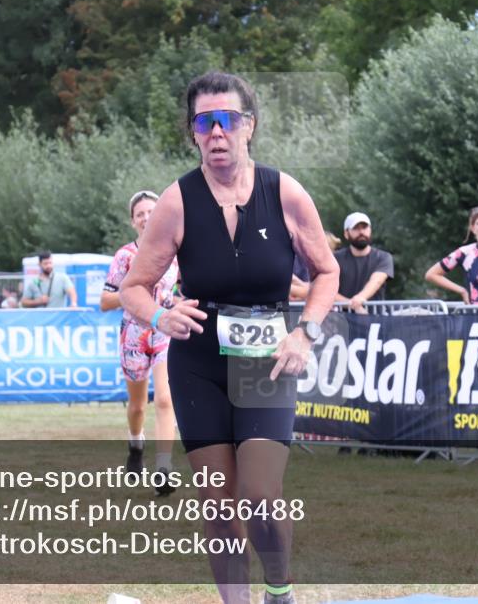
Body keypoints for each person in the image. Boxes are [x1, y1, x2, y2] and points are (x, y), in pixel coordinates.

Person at [119, 72, 339, 604]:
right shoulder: (176, 201)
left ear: (249, 126)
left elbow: (327, 273)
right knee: (218, 503)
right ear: (193, 132)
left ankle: (279, 590)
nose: (217, 132)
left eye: (228, 120)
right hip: (199, 364)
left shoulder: (284, 191)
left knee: (262, 496)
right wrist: (159, 316)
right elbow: (134, 287)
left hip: (267, 361)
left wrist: (304, 335)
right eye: (204, 122)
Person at [101, 189, 180, 495]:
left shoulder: (175, 250)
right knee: (137, 406)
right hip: (133, 333)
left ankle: (163, 468)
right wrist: (133, 293)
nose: (147, 218)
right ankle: (136, 445)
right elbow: (105, 301)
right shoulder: (125, 256)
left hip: (164, 331)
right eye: (140, 215)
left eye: (151, 212)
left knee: (165, 398)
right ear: (133, 222)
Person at [334, 212, 394, 313]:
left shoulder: (383, 257)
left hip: (374, 319)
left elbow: (376, 281)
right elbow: (325, 290)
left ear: (370, 230)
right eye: (356, 228)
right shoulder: (335, 259)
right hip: (342, 322)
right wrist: (354, 305)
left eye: (365, 227)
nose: (361, 232)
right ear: (346, 233)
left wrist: (360, 298)